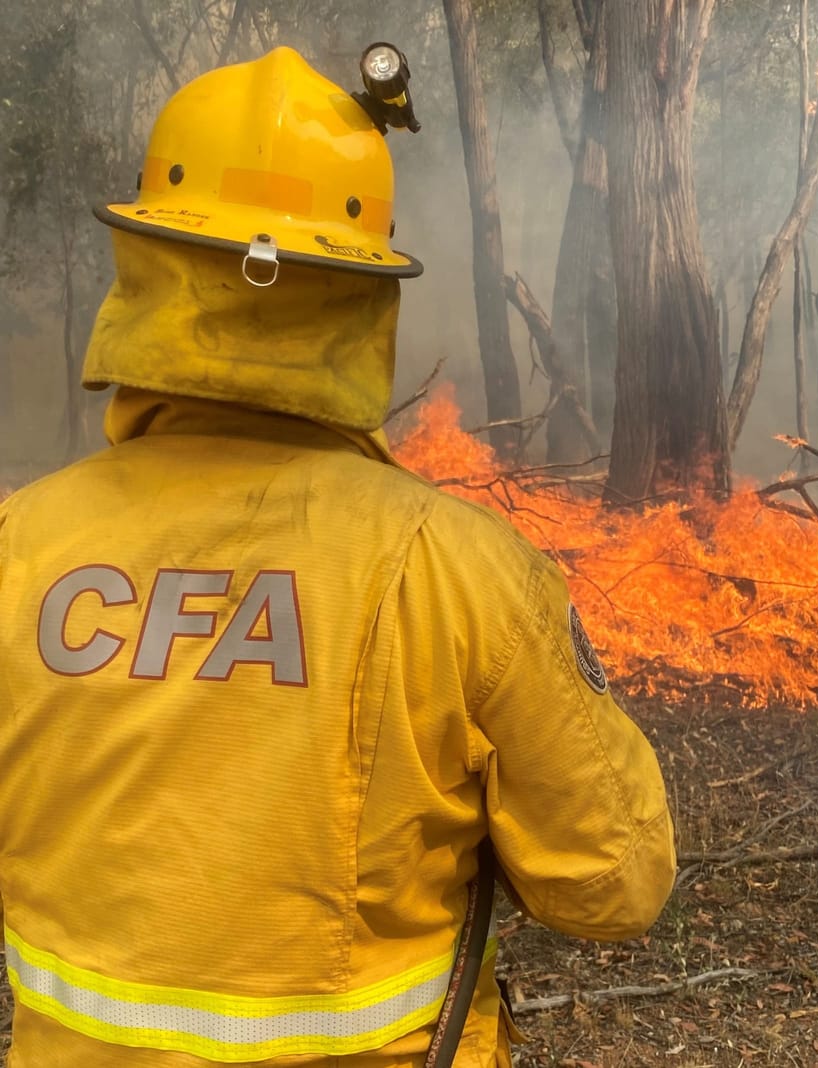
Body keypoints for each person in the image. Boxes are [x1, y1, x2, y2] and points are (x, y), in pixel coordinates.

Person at [0, 46, 675, 1067]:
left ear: (147, 261)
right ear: (361, 295)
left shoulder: (21, 545)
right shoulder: (458, 570)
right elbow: (613, 883)